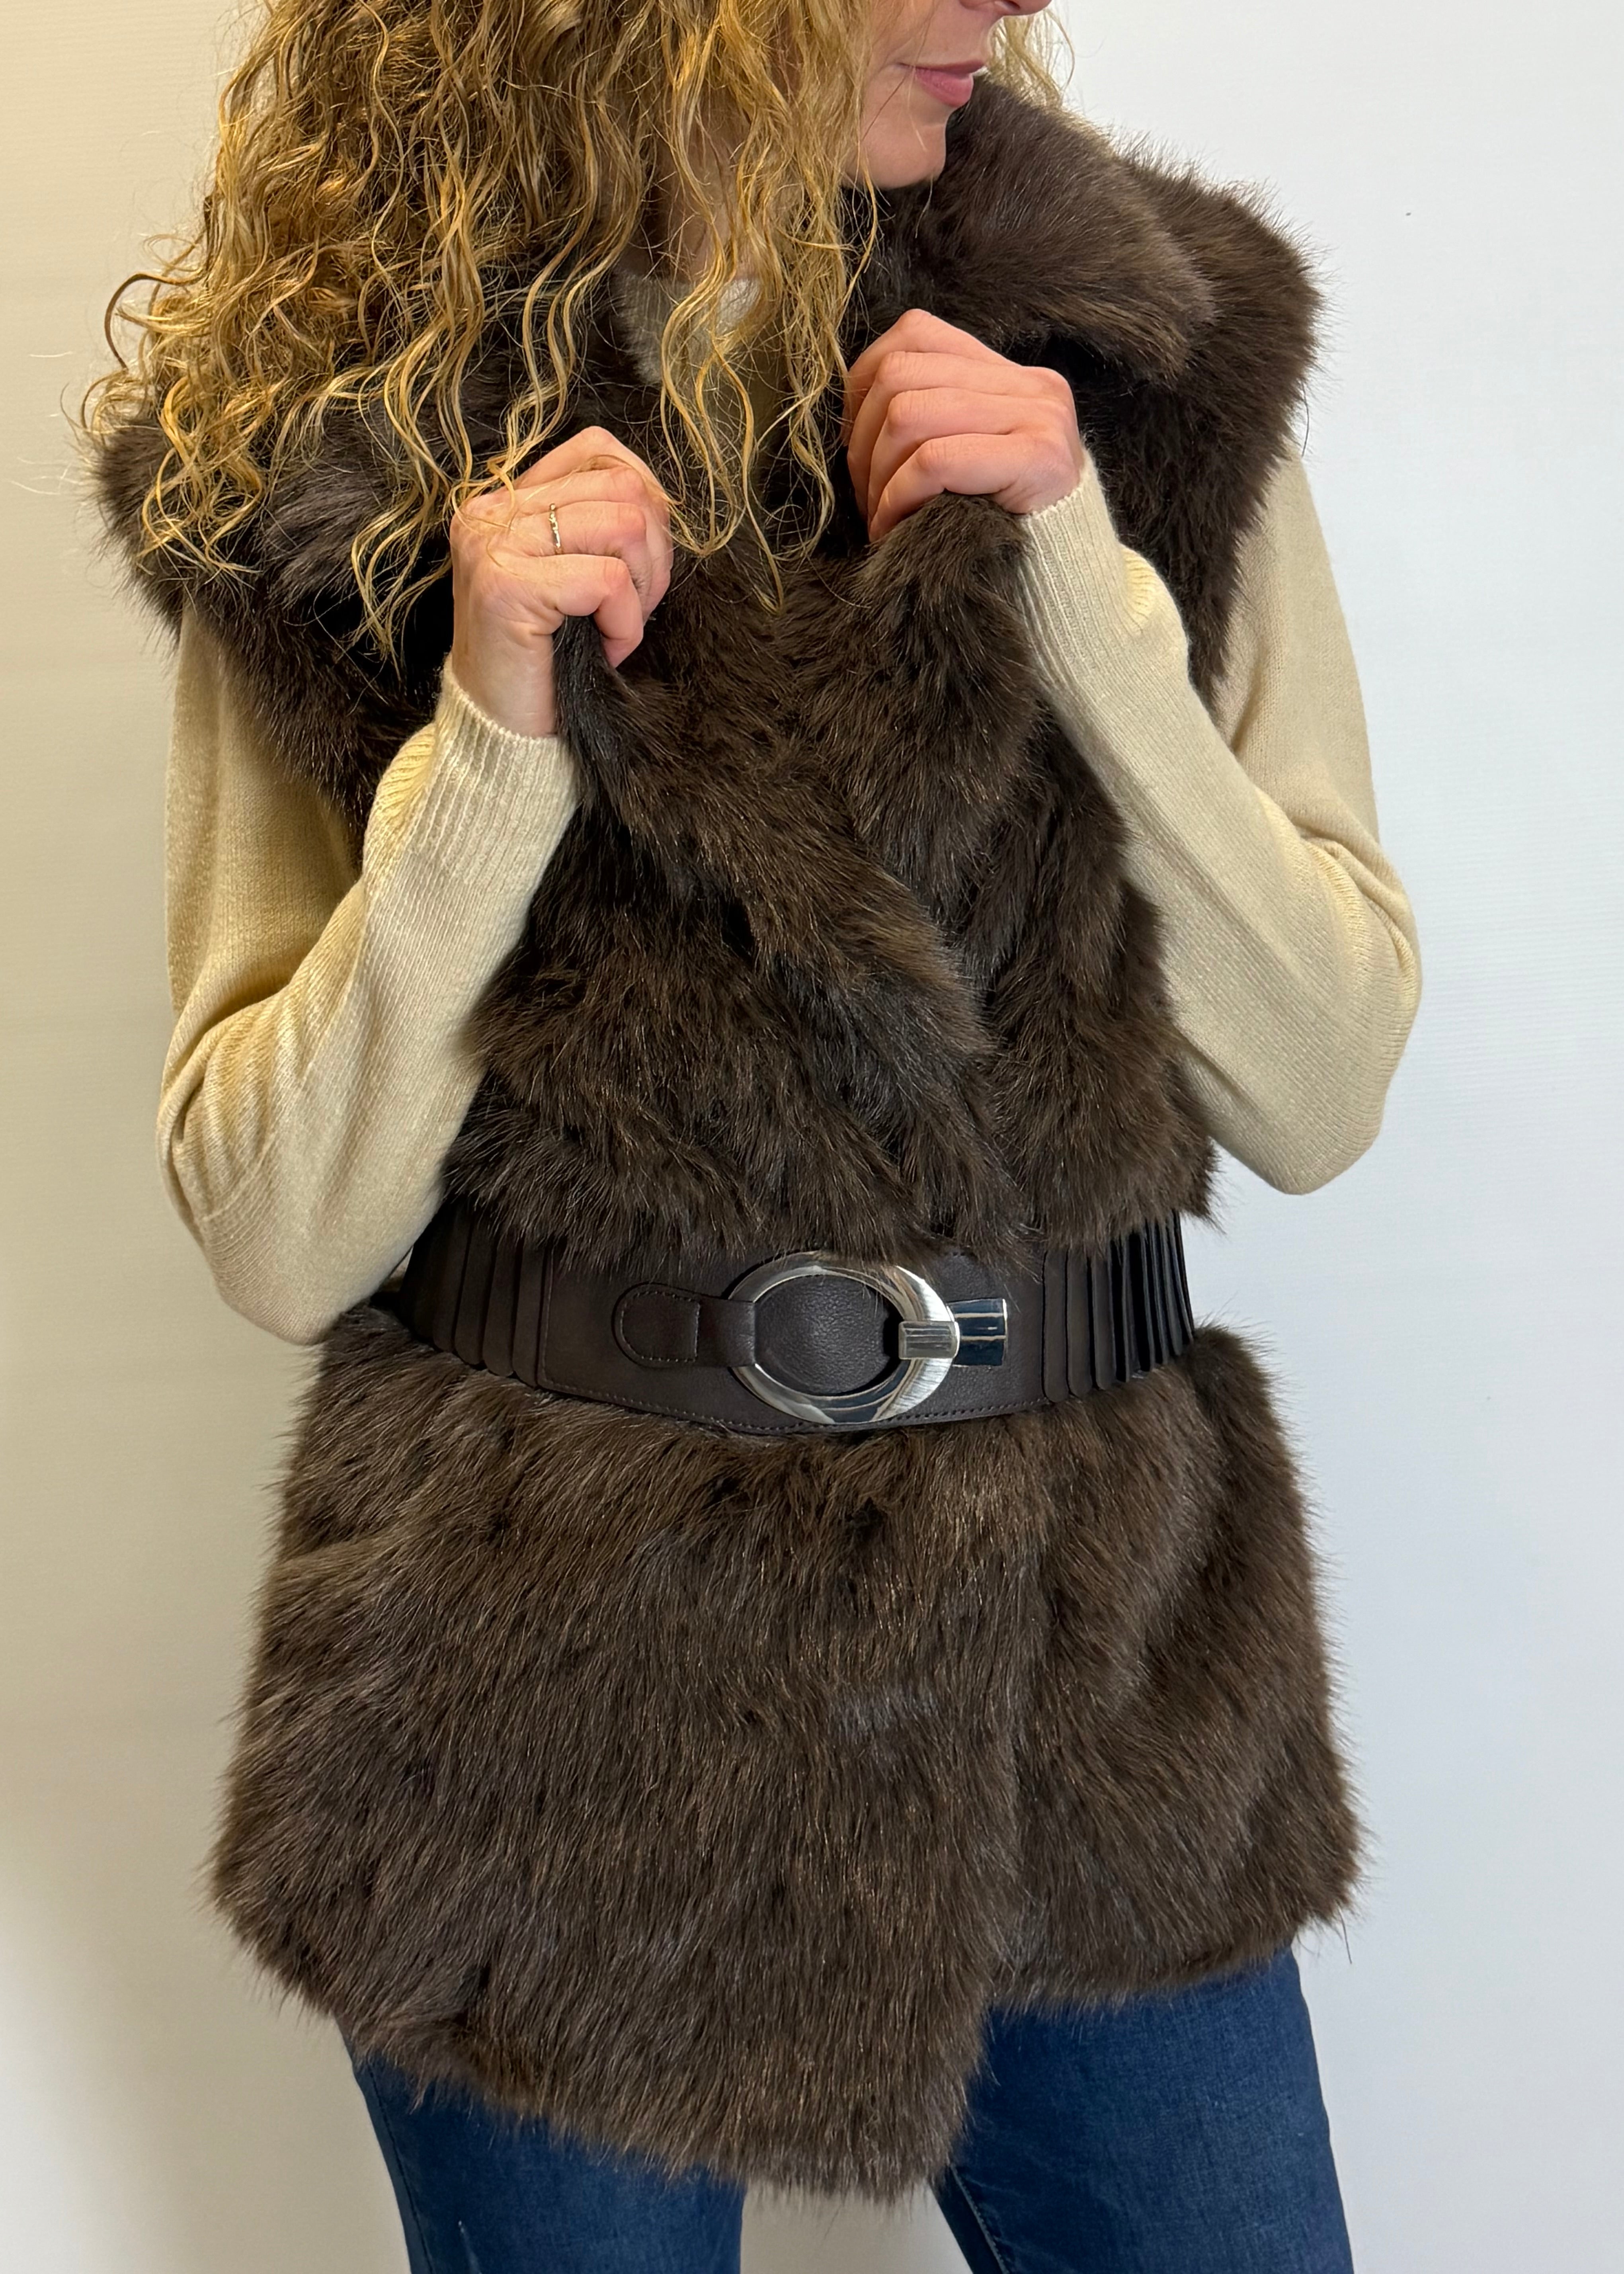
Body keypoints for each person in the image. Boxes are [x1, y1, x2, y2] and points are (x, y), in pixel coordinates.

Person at [88, 0, 1421, 2266]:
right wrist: (487, 748)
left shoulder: (1151, 370)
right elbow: (279, 1230)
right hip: (543, 1703)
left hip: (1091, 1664)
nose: (997, 4)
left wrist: (1088, 596)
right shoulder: (325, 451)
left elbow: (1320, 1088)